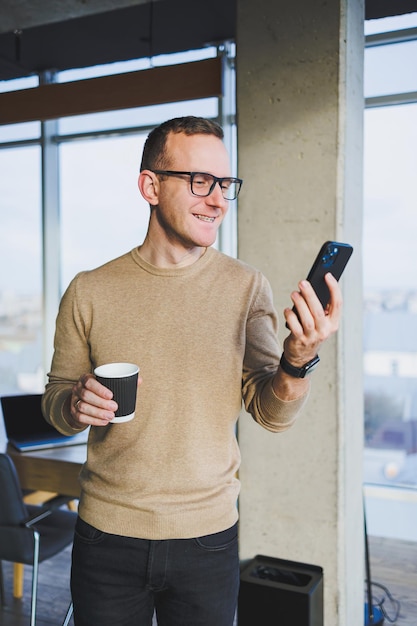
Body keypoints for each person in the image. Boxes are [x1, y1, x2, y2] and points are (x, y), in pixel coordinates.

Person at [42, 115, 342, 626]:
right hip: (106, 535)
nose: (218, 199)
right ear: (150, 186)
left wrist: (297, 359)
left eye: (225, 184)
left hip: (207, 539)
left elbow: (271, 413)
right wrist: (74, 403)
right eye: (200, 181)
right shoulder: (88, 290)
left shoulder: (247, 287)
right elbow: (54, 405)